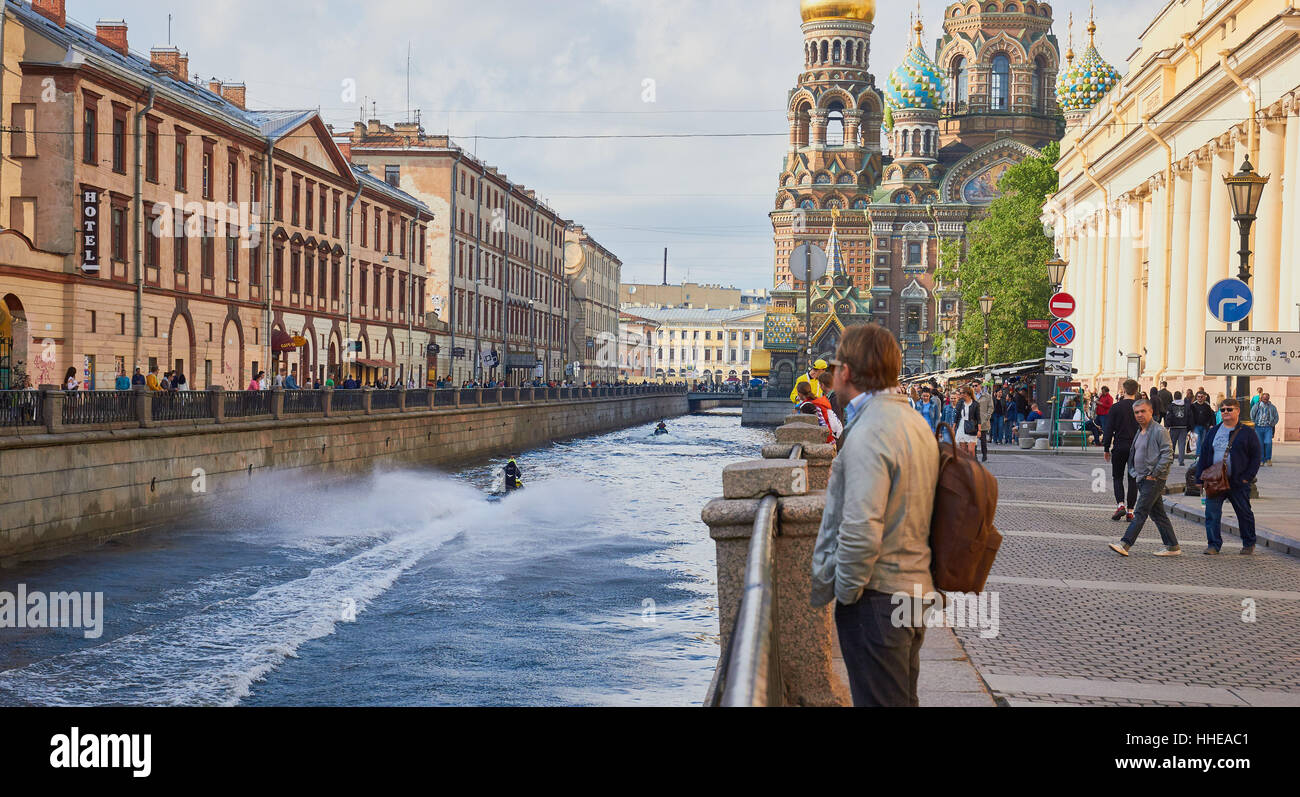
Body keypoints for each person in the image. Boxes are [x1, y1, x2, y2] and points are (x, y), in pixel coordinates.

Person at [810, 323, 939, 708]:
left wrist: (847, 594)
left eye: (835, 368)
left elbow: (862, 528)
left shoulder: (870, 431)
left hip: (877, 598)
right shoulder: (914, 422)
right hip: (912, 590)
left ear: (846, 372)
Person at [1108, 399, 1180, 557]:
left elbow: (1168, 454)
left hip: (1153, 480)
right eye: (1136, 412)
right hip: (1142, 478)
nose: (1139, 415)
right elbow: (1134, 453)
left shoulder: (1159, 430)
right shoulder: (1140, 431)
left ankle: (1125, 543)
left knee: (1140, 511)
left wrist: (1154, 474)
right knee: (1158, 514)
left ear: (1151, 412)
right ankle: (1173, 546)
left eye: (1143, 411)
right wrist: (1134, 472)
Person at [1194, 398, 1262, 555]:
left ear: (1237, 411)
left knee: (1244, 513)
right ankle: (1213, 545)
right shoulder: (1213, 431)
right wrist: (1199, 478)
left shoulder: (1247, 433)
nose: (1225, 412)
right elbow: (1204, 454)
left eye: (1229, 409)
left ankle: (1248, 542)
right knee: (1211, 513)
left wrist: (1247, 477)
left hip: (1237, 481)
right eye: (1222, 409)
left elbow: (1256, 457)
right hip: (1215, 481)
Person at [1103, 379, 1141, 523]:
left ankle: (1120, 505)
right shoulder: (1140, 408)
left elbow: (1108, 429)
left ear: (1124, 390)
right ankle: (1131, 511)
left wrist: (1106, 447)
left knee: (1117, 477)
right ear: (1136, 391)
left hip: (1119, 446)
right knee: (1133, 479)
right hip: (1136, 448)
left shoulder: (1115, 408)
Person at [1250, 392, 1278, 467]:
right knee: (1260, 444)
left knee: (1268, 442)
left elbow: (1276, 417)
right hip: (1258, 427)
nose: (1265, 400)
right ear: (1261, 398)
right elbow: (1252, 415)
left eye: (1267, 398)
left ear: (1269, 399)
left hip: (1268, 428)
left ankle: (1268, 459)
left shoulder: (1272, 407)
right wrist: (1254, 423)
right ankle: (1261, 460)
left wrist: (1272, 424)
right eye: (1264, 398)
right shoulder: (1257, 406)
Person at [1165, 390, 1190, 467]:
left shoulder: (1171, 406)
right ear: (1181, 397)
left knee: (1172, 444)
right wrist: (1189, 427)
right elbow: (1189, 416)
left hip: (1174, 427)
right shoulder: (1186, 406)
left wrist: (1167, 426)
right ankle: (1181, 461)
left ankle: (1171, 459)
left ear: (1174, 397)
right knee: (1182, 444)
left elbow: (1168, 417)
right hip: (1183, 427)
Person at [955, 386, 980, 458]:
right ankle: (966, 466)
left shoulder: (975, 404)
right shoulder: (960, 403)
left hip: (971, 426)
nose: (961, 394)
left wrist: (979, 430)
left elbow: (978, 418)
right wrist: (953, 428)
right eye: (960, 393)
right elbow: (956, 417)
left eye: (962, 393)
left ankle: (973, 465)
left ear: (967, 394)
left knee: (971, 450)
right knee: (963, 451)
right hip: (961, 427)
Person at [974, 380, 992, 462]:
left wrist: (987, 417)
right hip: (973, 421)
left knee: (983, 440)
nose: (974, 387)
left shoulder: (987, 396)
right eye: (973, 386)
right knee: (973, 441)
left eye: (976, 385)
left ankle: (984, 455)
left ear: (980, 386)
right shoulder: (972, 396)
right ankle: (974, 456)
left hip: (983, 421)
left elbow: (991, 407)